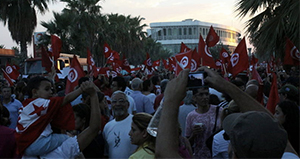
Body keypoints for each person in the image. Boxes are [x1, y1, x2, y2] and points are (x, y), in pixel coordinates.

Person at [155, 67, 299, 158]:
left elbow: (164, 153)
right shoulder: (287, 155)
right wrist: (226, 86)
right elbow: (274, 130)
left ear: (233, 154)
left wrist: (170, 100)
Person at [16, 76, 102, 158]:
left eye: (51, 89)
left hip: (25, 147)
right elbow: (66, 99)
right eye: (47, 89)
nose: (51, 92)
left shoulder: (25, 106)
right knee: (67, 138)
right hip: (40, 145)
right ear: (34, 92)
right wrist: (88, 92)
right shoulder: (42, 103)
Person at [185, 86, 222, 158]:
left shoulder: (219, 111)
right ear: (194, 98)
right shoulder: (191, 116)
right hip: (200, 155)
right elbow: (188, 142)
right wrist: (194, 134)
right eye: (201, 94)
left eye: (207, 94)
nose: (205, 97)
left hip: (217, 153)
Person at [103, 91, 137, 158]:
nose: (118, 104)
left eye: (121, 101)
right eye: (114, 102)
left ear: (128, 105)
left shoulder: (136, 122)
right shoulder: (107, 127)